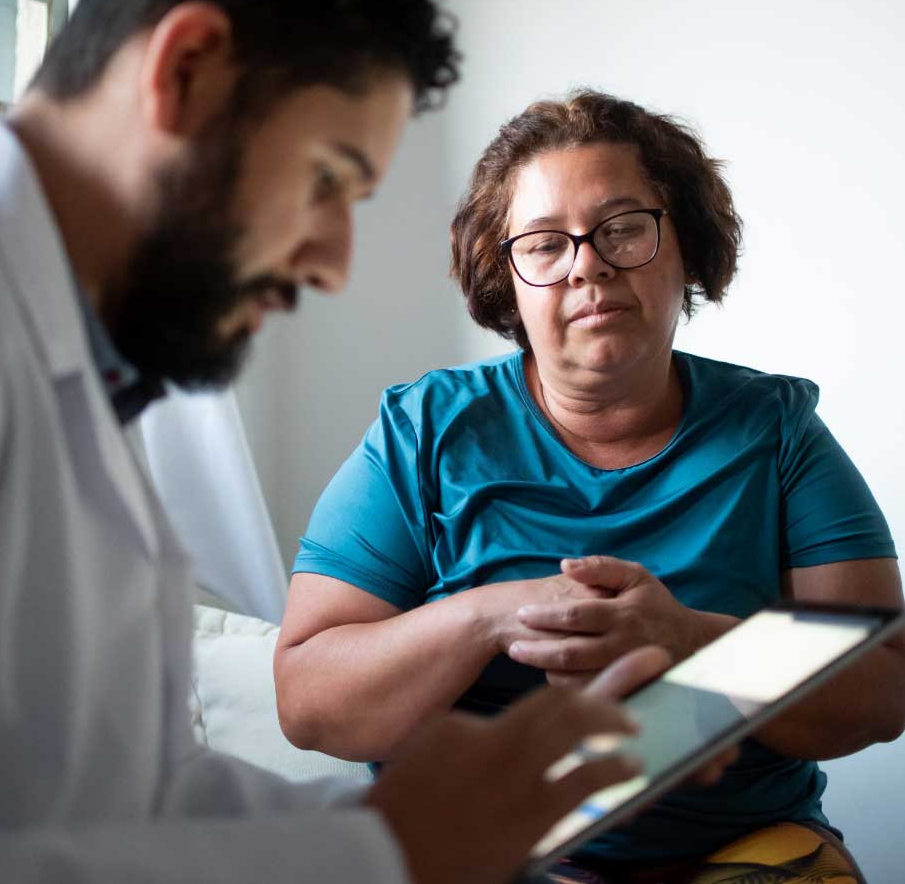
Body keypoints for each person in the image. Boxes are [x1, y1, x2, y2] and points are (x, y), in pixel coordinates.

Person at [0, 0, 664, 884]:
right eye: (326, 179)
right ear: (186, 69)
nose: (331, 263)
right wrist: (383, 850)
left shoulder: (70, 370)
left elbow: (133, 805)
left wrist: (449, 820)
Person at [275, 91, 905, 884]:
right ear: (506, 279)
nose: (589, 263)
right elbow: (306, 701)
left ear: (685, 249)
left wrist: (691, 642)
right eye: (545, 243)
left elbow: (884, 686)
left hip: (739, 852)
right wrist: (494, 615)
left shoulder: (775, 432)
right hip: (483, 857)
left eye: (623, 228)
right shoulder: (424, 432)